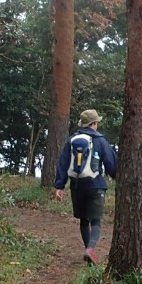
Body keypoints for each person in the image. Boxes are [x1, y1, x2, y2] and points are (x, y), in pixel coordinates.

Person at [54, 109, 118, 265]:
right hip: (96, 186)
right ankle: (91, 249)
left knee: (84, 220)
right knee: (95, 220)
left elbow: (63, 163)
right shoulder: (100, 140)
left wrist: (59, 186)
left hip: (76, 186)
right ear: (94, 124)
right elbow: (111, 163)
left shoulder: (71, 140)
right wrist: (117, 177)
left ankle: (89, 254)